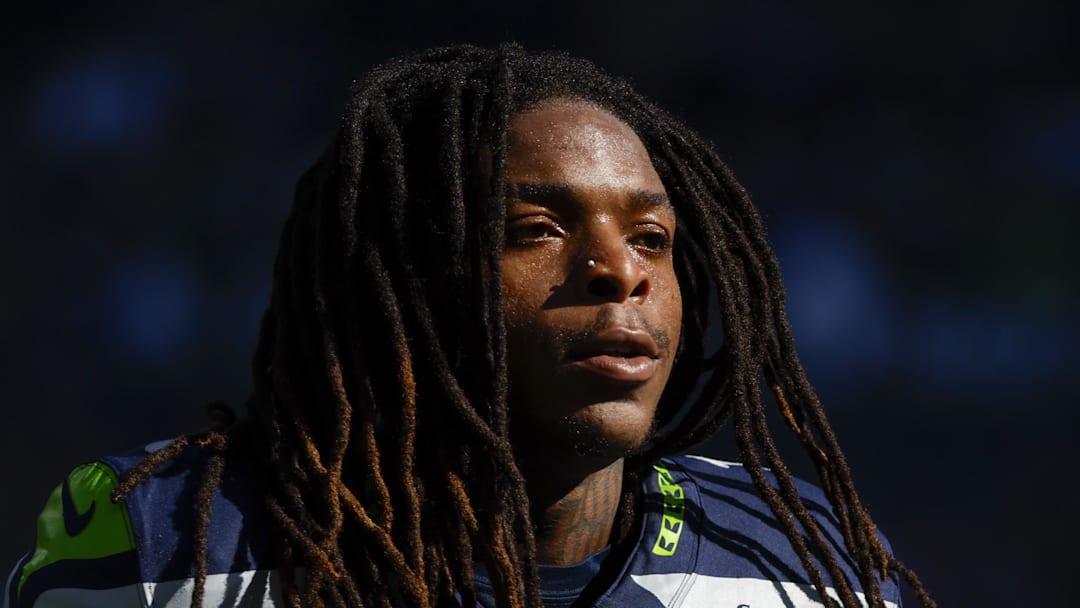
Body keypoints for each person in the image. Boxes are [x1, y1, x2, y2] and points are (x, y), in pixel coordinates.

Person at [4, 44, 936, 608]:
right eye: (537, 230)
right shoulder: (165, 549)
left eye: (652, 236)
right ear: (402, 277)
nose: (623, 269)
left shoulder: (804, 565)